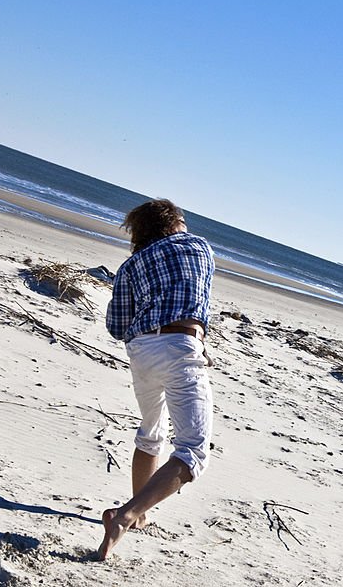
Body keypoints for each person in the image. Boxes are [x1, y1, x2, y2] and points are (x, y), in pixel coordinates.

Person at [96, 199, 215, 560]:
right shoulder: (199, 247)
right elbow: (201, 301)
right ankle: (126, 515)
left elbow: (117, 327)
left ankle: (140, 516)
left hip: (142, 350)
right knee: (193, 450)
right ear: (176, 222)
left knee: (151, 432)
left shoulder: (130, 265)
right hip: (180, 345)